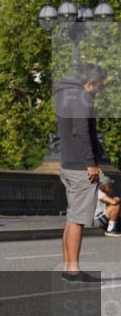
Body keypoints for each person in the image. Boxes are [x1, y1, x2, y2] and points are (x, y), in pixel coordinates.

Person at [53, 63, 106, 282]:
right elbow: (81, 132)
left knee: (71, 218)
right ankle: (73, 269)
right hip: (79, 167)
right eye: (100, 85)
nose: (100, 90)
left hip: (68, 163)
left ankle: (68, 266)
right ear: (89, 83)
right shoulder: (83, 99)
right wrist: (91, 163)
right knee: (78, 220)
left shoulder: (66, 96)